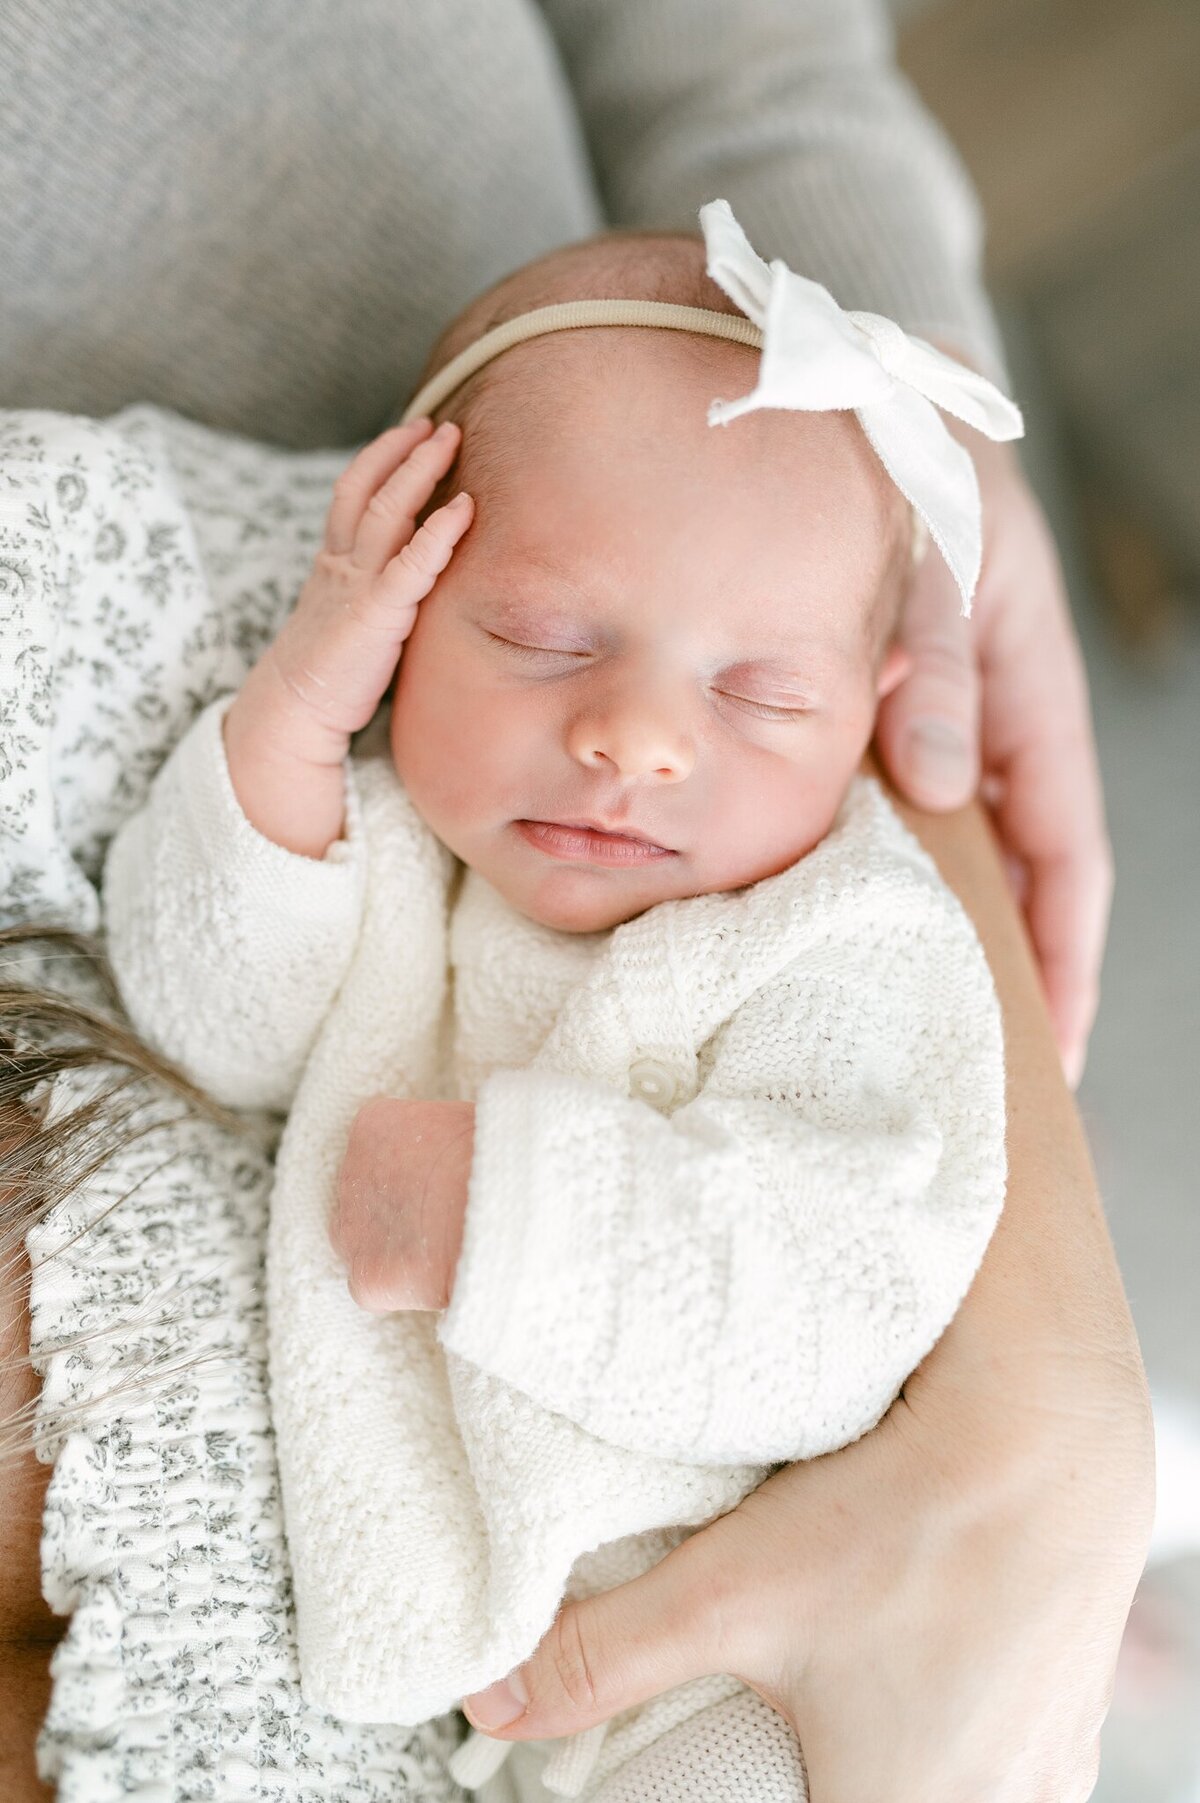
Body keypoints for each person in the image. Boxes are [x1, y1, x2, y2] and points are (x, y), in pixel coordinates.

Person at [0, 5, 1142, 1800]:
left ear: (879, 715)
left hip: (735, 1651)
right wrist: (292, 722)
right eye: (540, 643)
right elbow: (214, 1012)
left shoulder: (839, 939)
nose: (629, 742)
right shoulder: (397, 843)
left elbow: (855, 1274)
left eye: (761, 697)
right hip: (484, 1671)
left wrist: (510, 1221)